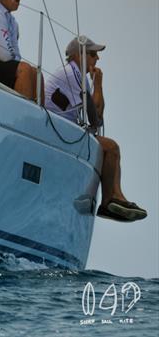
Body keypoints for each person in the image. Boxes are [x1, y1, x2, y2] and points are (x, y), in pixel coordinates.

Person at [45, 36, 147, 222]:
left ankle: (114, 197)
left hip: (61, 129)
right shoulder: (72, 74)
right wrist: (98, 84)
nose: (97, 59)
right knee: (110, 147)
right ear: (78, 55)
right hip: (57, 131)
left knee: (108, 146)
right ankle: (111, 199)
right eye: (93, 54)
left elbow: (95, 118)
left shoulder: (77, 76)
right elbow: (96, 118)